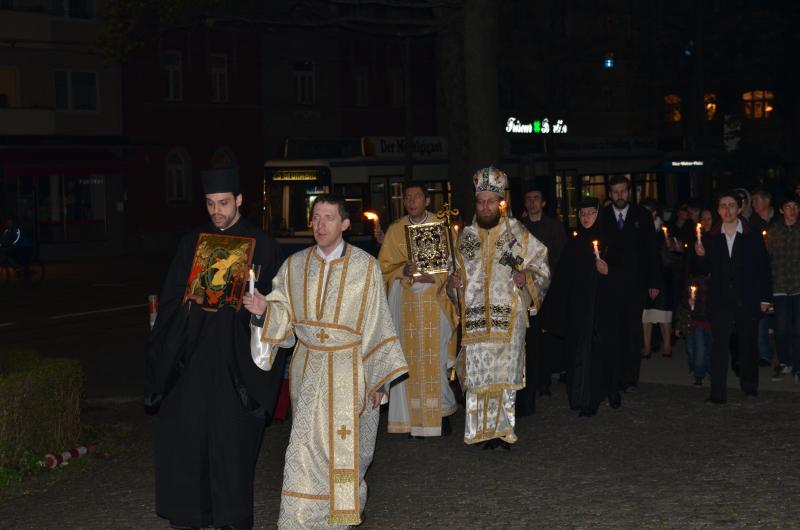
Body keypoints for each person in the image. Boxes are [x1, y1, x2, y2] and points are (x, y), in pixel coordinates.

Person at [245, 194, 407, 528]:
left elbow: (378, 323)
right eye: (315, 217)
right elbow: (284, 315)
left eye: (329, 218)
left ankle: (342, 516)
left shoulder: (366, 267)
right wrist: (264, 310)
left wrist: (379, 381)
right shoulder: (294, 265)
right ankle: (299, 520)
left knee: (351, 452)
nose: (320, 225)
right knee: (303, 450)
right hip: (309, 370)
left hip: (352, 371)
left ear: (345, 224)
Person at [145, 168, 286, 530]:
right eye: (210, 204)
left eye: (223, 203)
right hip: (191, 364)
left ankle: (231, 520)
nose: (216, 211)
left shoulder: (262, 245)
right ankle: (190, 517)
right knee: (187, 443)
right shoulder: (192, 242)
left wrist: (258, 309)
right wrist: (190, 304)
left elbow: (280, 308)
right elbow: (171, 301)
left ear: (239, 200)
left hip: (234, 368)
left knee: (230, 449)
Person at [449, 167, 550, 449]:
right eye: (481, 202)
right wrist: (453, 283)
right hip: (475, 319)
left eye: (490, 201)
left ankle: (504, 432)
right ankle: (480, 432)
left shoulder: (516, 233)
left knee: (504, 377)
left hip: (508, 318)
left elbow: (541, 266)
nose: (485, 207)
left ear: (500, 202)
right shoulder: (465, 237)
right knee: (478, 376)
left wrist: (526, 277)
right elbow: (453, 275)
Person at [378, 184, 458, 437]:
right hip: (406, 306)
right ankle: (412, 422)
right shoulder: (395, 231)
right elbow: (383, 269)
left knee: (436, 360)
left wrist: (434, 277)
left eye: (417, 197)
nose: (411, 201)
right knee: (409, 362)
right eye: (407, 198)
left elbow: (455, 265)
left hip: (436, 302)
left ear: (427, 200)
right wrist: (403, 271)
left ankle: (441, 416)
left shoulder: (441, 227)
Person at [540, 197, 620, 417]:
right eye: (582, 214)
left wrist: (608, 271)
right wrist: (552, 312)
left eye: (590, 213)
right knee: (579, 355)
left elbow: (626, 272)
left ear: (598, 214)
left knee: (602, 353)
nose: (586, 218)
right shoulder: (574, 244)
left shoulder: (610, 240)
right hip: (579, 311)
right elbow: (562, 279)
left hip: (602, 310)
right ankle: (583, 399)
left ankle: (609, 390)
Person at [694, 190, 772, 404]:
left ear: (739, 208)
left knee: (748, 345)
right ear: (718, 210)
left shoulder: (752, 235)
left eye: (731, 205)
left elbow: (764, 268)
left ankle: (750, 387)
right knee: (719, 347)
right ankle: (717, 393)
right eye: (723, 206)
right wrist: (700, 256)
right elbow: (702, 270)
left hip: (747, 298)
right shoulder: (711, 237)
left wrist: (765, 298)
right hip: (720, 300)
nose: (727, 210)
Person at [599, 176, 662, 393]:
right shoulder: (603, 216)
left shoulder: (642, 215)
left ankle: (630, 378)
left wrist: (654, 281)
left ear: (629, 192)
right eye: (615, 192)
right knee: (613, 330)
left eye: (623, 191)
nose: (619, 195)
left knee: (633, 331)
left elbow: (651, 250)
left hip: (635, 282)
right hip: (609, 283)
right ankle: (614, 375)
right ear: (610, 194)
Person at [518, 187, 566, 410]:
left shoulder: (554, 227)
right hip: (526, 291)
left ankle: (546, 380)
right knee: (529, 337)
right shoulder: (518, 227)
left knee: (546, 337)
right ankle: (531, 380)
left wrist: (541, 272)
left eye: (536, 198)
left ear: (543, 203)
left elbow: (558, 256)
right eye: (528, 199)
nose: (532, 202)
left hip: (549, 289)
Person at [765, 196, 800, 383]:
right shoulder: (774, 231)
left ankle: (798, 365)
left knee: (798, 328)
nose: (792, 210)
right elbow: (766, 258)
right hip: (779, 286)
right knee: (782, 328)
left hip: (798, 286)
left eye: (795, 207)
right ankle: (785, 362)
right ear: (781, 210)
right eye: (788, 206)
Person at [640, 199, 674, 359]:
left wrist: (670, 246)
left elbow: (668, 257)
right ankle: (646, 346)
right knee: (646, 314)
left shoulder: (662, 230)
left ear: (654, 213)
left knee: (662, 312)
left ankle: (667, 345)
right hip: (644, 276)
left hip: (662, 276)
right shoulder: (639, 230)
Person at [750, 189, 777, 366]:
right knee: (761, 314)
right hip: (760, 274)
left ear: (767, 201)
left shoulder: (779, 220)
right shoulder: (752, 223)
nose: (753, 204)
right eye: (752, 201)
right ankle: (764, 353)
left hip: (781, 272)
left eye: (756, 201)